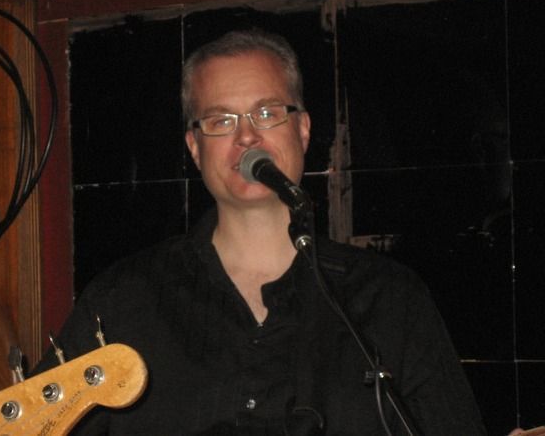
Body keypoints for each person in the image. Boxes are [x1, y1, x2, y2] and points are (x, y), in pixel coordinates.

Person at [34, 29, 487, 435]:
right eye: (221, 121)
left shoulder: (391, 300)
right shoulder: (121, 301)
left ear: (303, 131)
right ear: (195, 148)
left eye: (267, 113)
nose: (247, 137)